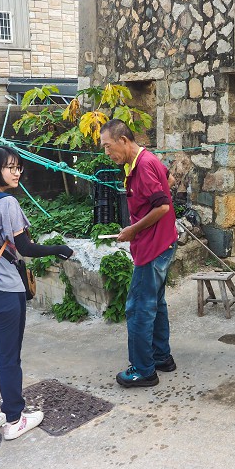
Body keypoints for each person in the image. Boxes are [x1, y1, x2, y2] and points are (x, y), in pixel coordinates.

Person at [0, 146, 73, 441]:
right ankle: (13, 419)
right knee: (9, 359)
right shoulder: (6, 203)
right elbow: (25, 248)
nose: (17, 172)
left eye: (19, 167)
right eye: (10, 167)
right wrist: (58, 249)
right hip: (4, 291)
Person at [100, 119, 178, 388]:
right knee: (156, 303)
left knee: (138, 309)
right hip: (163, 243)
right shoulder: (145, 160)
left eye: (108, 147)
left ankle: (144, 371)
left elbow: (163, 207)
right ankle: (160, 357)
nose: (107, 153)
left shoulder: (143, 166)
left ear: (123, 140)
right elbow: (168, 178)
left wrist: (133, 229)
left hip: (153, 247)